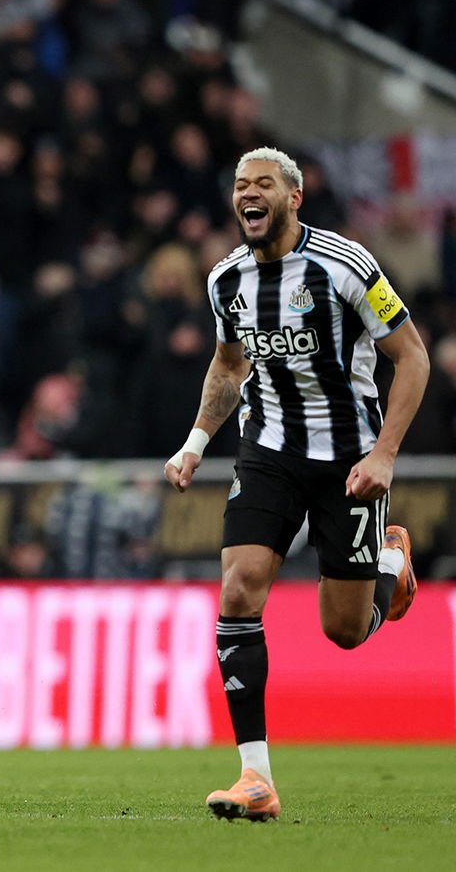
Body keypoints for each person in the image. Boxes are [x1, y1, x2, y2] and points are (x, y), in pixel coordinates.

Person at [163, 147, 426, 822]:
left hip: (350, 461)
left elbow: (412, 356)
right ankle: (256, 778)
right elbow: (227, 368)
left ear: (293, 197)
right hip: (269, 453)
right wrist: (196, 443)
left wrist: (386, 456)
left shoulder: (347, 265)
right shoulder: (225, 280)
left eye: (262, 184)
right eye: (239, 184)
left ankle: (388, 561)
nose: (247, 193)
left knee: (343, 630)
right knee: (237, 587)